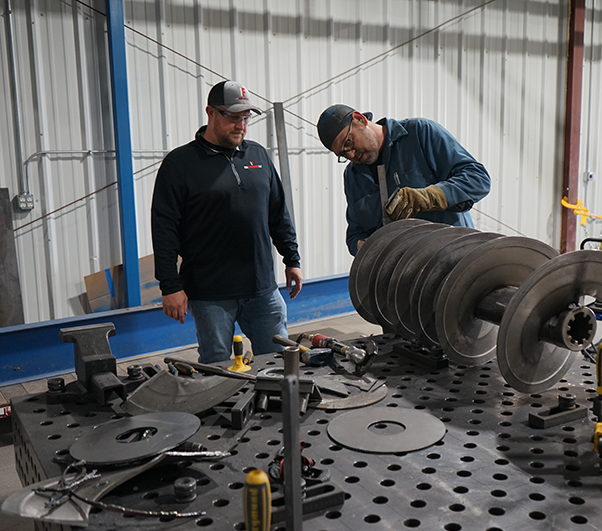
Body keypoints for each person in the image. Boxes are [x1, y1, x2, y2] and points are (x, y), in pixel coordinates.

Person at [151, 80, 303, 363]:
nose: (241, 126)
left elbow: (278, 212)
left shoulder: (257, 155)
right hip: (210, 294)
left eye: (246, 118)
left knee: (278, 364)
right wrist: (169, 285)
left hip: (262, 290)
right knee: (218, 368)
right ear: (210, 113)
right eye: (233, 118)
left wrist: (291, 259)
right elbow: (164, 228)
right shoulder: (180, 164)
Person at [317, 104, 491, 255]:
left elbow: (478, 178)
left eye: (348, 143)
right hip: (406, 276)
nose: (351, 154)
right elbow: (355, 234)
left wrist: (431, 196)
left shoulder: (420, 133)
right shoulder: (353, 177)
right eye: (343, 154)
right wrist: (365, 247)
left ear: (360, 119)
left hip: (455, 258)